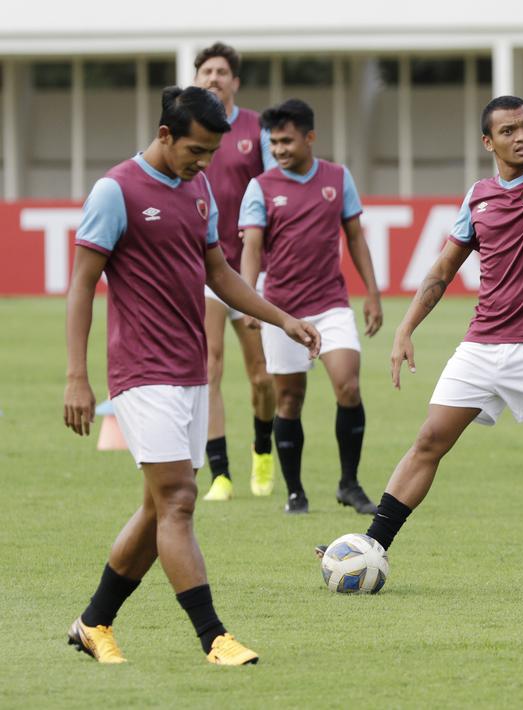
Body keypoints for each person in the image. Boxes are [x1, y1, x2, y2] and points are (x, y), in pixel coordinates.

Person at [63, 86, 320, 666]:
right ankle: (214, 638)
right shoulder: (115, 191)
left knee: (159, 508)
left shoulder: (198, 188)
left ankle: (93, 622)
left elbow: (219, 273)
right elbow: (81, 285)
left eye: (210, 154)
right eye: (195, 151)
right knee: (179, 499)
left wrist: (283, 319)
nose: (204, 164)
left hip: (190, 372)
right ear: (164, 136)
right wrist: (77, 377)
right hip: (140, 372)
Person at [317, 95, 523, 591]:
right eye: (509, 130)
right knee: (429, 441)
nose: (522, 136)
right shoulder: (477, 196)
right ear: (488, 141)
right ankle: (370, 549)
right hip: (480, 346)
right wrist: (405, 328)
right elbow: (441, 270)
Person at [239, 98, 383, 515]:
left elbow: (355, 237)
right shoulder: (261, 187)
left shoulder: (338, 178)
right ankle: (295, 492)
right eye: (274, 142)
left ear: (310, 137)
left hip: (331, 304)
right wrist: (250, 299)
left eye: (287, 141)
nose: (280, 149)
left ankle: (349, 484)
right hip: (282, 310)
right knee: (289, 400)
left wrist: (371, 294)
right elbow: (252, 246)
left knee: (348, 386)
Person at [193, 41, 279, 502]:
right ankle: (220, 475)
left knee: (262, 376)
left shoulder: (256, 129)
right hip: (206, 269)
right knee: (210, 368)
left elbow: (274, 186)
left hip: (251, 272)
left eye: (222, 71)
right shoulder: (188, 130)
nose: (214, 78)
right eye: (207, 71)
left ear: (235, 81)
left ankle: (262, 452)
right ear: (197, 78)